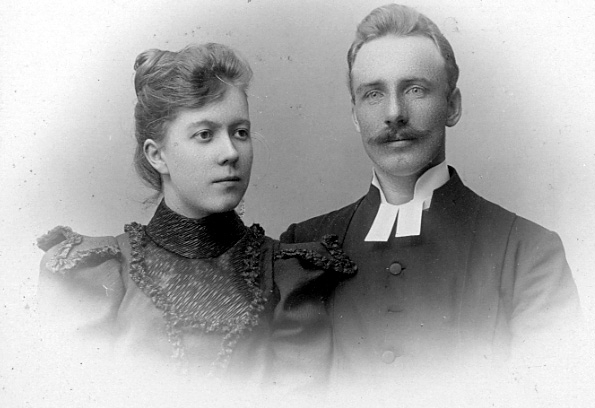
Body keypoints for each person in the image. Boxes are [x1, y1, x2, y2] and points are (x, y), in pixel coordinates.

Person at [280, 4, 581, 383]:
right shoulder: (303, 247)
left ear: (452, 106)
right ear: (355, 115)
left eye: (415, 90)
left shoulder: (528, 252)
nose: (394, 113)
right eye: (373, 94)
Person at [37, 42, 356, 385]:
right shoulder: (100, 273)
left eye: (241, 133)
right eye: (205, 134)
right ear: (157, 155)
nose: (231, 152)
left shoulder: (286, 278)